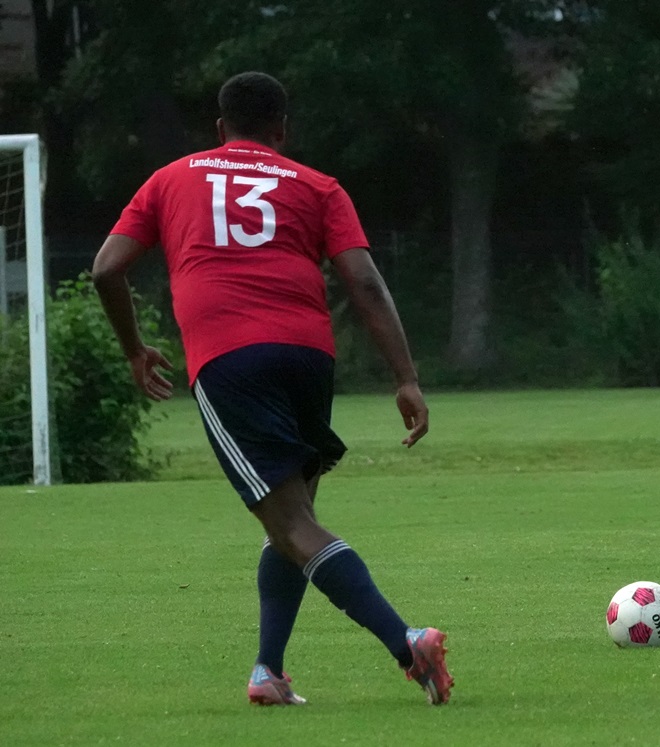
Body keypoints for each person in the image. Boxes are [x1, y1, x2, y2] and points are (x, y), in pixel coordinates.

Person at [92, 71, 453, 704]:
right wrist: (406, 378)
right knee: (294, 519)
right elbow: (366, 285)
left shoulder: (170, 179)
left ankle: (407, 642)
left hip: (230, 357)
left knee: (291, 525)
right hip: (307, 357)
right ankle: (269, 673)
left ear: (219, 128)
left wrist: (135, 350)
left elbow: (106, 269)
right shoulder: (318, 185)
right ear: (282, 129)